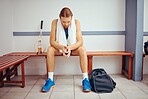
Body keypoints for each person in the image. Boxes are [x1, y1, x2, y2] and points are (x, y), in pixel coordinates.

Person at [41, 7, 91, 92]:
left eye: (68, 21)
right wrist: (62, 47)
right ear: (60, 18)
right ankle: (50, 80)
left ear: (71, 17)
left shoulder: (76, 22)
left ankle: (85, 80)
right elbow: (52, 41)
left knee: (82, 49)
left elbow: (80, 41)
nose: (66, 24)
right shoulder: (54, 22)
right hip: (60, 47)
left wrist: (69, 48)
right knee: (50, 49)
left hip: (72, 47)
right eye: (63, 22)